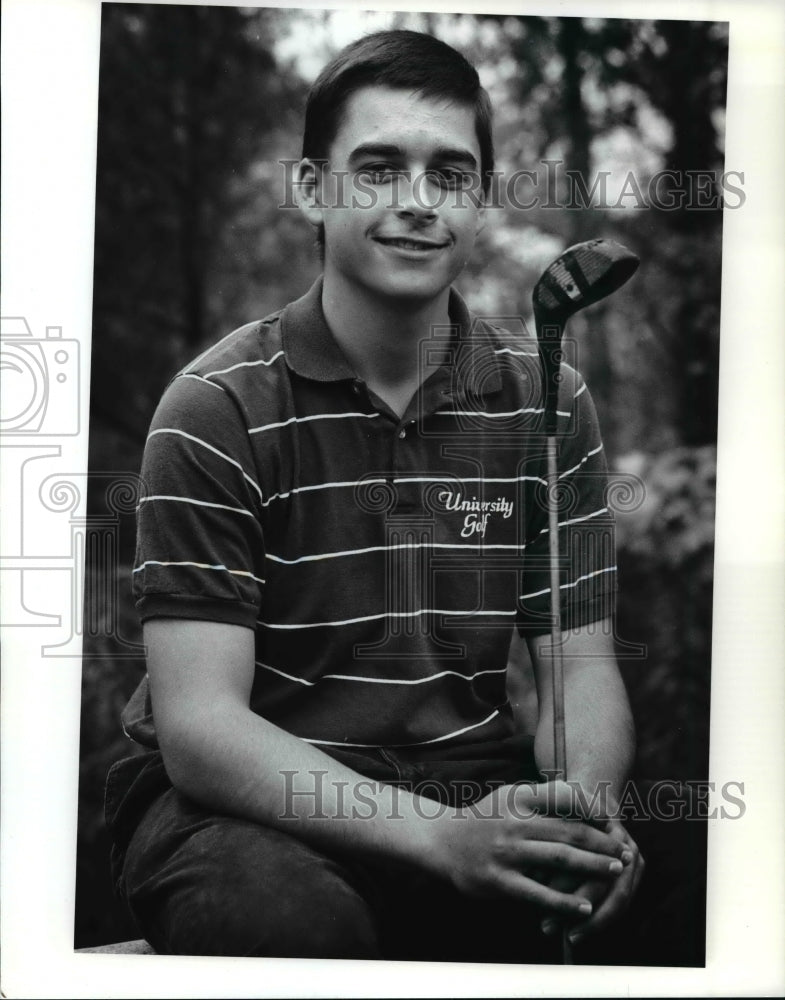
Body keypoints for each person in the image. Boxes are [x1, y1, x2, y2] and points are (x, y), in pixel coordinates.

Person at [106, 28, 646, 962]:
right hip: (238, 804)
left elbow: (579, 671)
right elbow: (198, 728)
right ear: (313, 188)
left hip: (465, 781)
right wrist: (435, 839)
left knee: (626, 893)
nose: (416, 203)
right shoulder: (217, 405)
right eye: (379, 167)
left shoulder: (545, 397)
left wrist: (581, 810)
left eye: (449, 174)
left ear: (478, 199)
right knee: (286, 921)